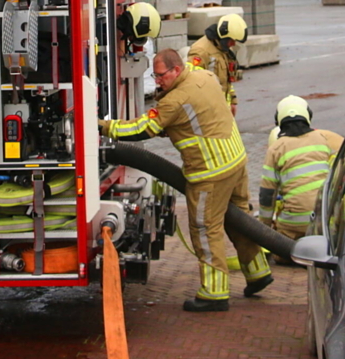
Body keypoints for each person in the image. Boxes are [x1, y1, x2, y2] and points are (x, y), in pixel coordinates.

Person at [100, 49, 272, 312]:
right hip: (236, 161)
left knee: (205, 228)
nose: (157, 81)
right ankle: (258, 273)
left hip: (210, 173)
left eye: (160, 76)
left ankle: (214, 293)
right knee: (241, 221)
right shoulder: (204, 76)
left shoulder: (176, 100)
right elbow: (200, 115)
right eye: (154, 76)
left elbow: (141, 129)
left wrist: (101, 126)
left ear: (176, 70)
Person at [259, 96, 344, 252]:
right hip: (323, 220)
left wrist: (264, 227)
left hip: (293, 225)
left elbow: (267, 194)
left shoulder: (276, 148)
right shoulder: (322, 140)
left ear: (279, 120)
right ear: (308, 116)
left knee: (282, 252)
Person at [187, 14, 247, 116]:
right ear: (223, 35)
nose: (233, 44)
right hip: (209, 110)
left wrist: (233, 101)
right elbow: (192, 84)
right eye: (232, 40)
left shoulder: (224, 49)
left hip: (222, 107)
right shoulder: (200, 51)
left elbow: (227, 80)